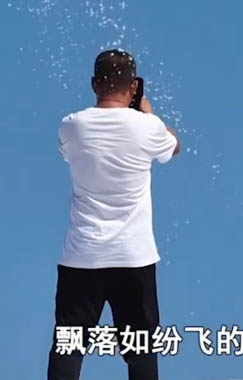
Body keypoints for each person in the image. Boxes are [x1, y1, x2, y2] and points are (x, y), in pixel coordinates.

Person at [48, 49, 181, 380]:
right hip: (133, 256)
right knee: (141, 350)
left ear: (94, 84)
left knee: (69, 345)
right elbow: (173, 147)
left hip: (82, 254)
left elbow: (67, 153)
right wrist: (147, 112)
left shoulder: (72, 125)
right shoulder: (147, 127)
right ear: (134, 87)